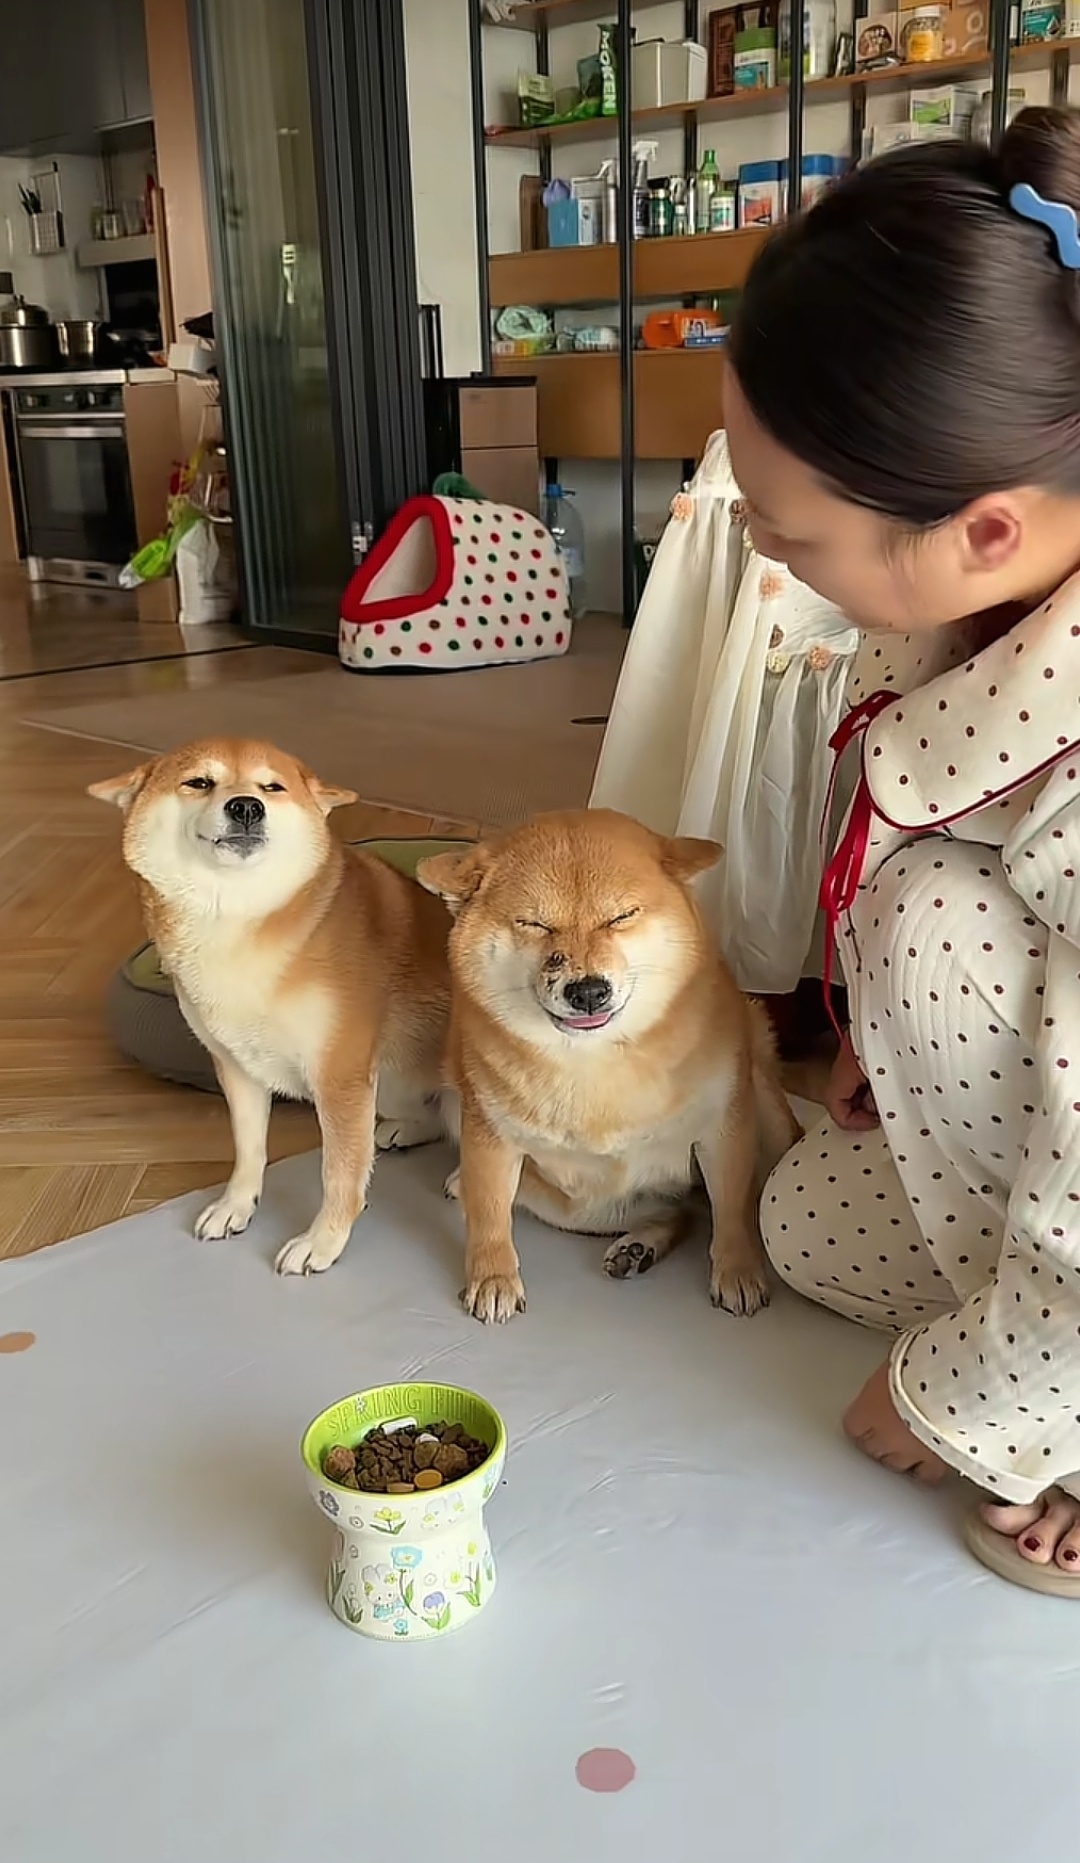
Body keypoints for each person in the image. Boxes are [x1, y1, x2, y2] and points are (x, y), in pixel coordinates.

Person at [726, 105, 1080, 1596]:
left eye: (790, 533)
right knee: (802, 1225)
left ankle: (1056, 1406)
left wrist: (965, 1398)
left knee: (937, 913)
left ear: (984, 529)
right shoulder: (975, 597)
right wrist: (895, 1053)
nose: (762, 549)